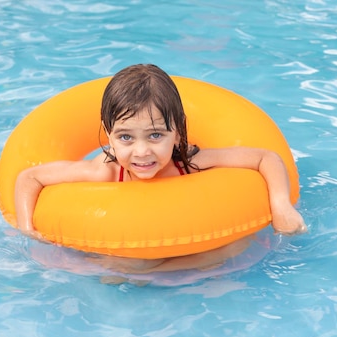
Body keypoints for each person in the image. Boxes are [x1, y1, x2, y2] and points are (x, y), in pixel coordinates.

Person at [15, 64, 306, 274]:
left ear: (177, 133)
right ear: (108, 136)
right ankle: (143, 270)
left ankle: (148, 272)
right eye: (126, 137)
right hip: (124, 245)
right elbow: (30, 177)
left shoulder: (190, 162)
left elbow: (265, 158)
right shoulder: (105, 171)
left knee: (236, 246)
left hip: (180, 253)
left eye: (155, 135)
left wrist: (281, 205)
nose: (142, 152)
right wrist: (26, 229)